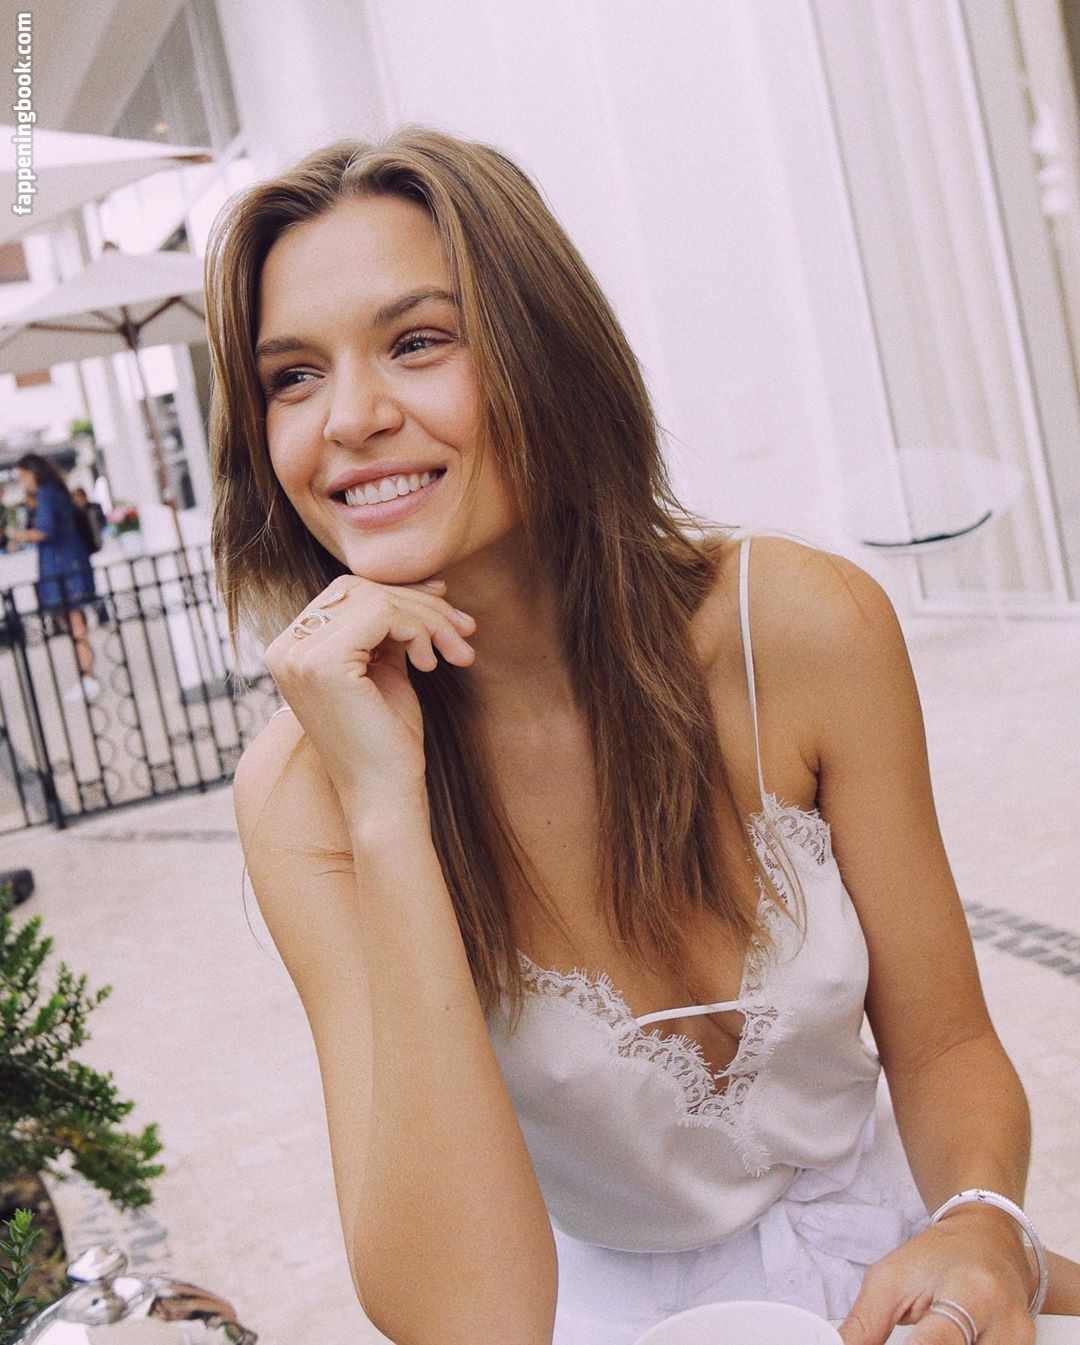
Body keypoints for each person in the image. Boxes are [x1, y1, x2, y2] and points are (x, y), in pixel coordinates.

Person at [208, 129, 1080, 1345]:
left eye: (418, 342)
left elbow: (944, 1040)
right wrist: (386, 804)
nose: (350, 418)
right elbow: (467, 1321)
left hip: (893, 1273)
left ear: (546, 352)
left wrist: (982, 1219)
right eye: (293, 377)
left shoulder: (799, 627)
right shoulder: (306, 795)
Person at [8, 454, 100, 703]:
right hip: (69, 561)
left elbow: (45, 530)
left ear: (32, 473)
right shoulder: (55, 491)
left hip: (61, 566)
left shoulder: (46, 493)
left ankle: (88, 676)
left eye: (23, 477)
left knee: (74, 623)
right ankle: (87, 674)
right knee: (73, 622)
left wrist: (16, 535)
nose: (23, 482)